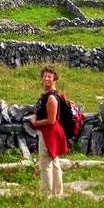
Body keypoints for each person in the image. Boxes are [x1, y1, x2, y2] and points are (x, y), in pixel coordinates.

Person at [30, 65, 68, 198]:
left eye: (49, 76)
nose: (46, 78)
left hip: (49, 133)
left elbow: (51, 120)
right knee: (55, 161)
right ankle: (58, 193)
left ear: (54, 78)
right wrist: (36, 116)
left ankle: (47, 195)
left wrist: (35, 123)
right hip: (52, 132)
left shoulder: (51, 97)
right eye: (45, 76)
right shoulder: (49, 95)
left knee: (46, 164)